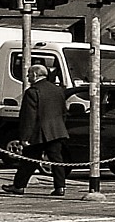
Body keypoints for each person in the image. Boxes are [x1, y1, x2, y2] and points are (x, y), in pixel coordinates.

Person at [7, 55, 72, 196]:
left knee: (29, 159)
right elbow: (63, 112)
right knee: (56, 159)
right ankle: (60, 187)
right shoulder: (58, 90)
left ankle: (18, 186)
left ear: (35, 75)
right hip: (57, 130)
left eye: (29, 74)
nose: (28, 77)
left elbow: (28, 117)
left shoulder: (32, 92)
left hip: (39, 132)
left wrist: (24, 137)